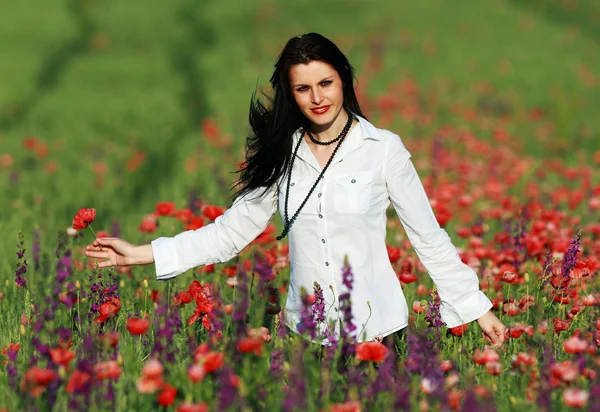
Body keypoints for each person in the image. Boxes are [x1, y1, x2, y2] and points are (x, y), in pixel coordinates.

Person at [85, 32, 506, 349]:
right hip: (306, 338)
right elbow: (230, 233)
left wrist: (476, 307)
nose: (317, 98)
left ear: (344, 79)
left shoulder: (382, 149)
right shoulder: (281, 153)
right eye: (303, 89)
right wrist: (142, 253)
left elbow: (427, 236)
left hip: (378, 335)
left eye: (326, 83)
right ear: (290, 93)